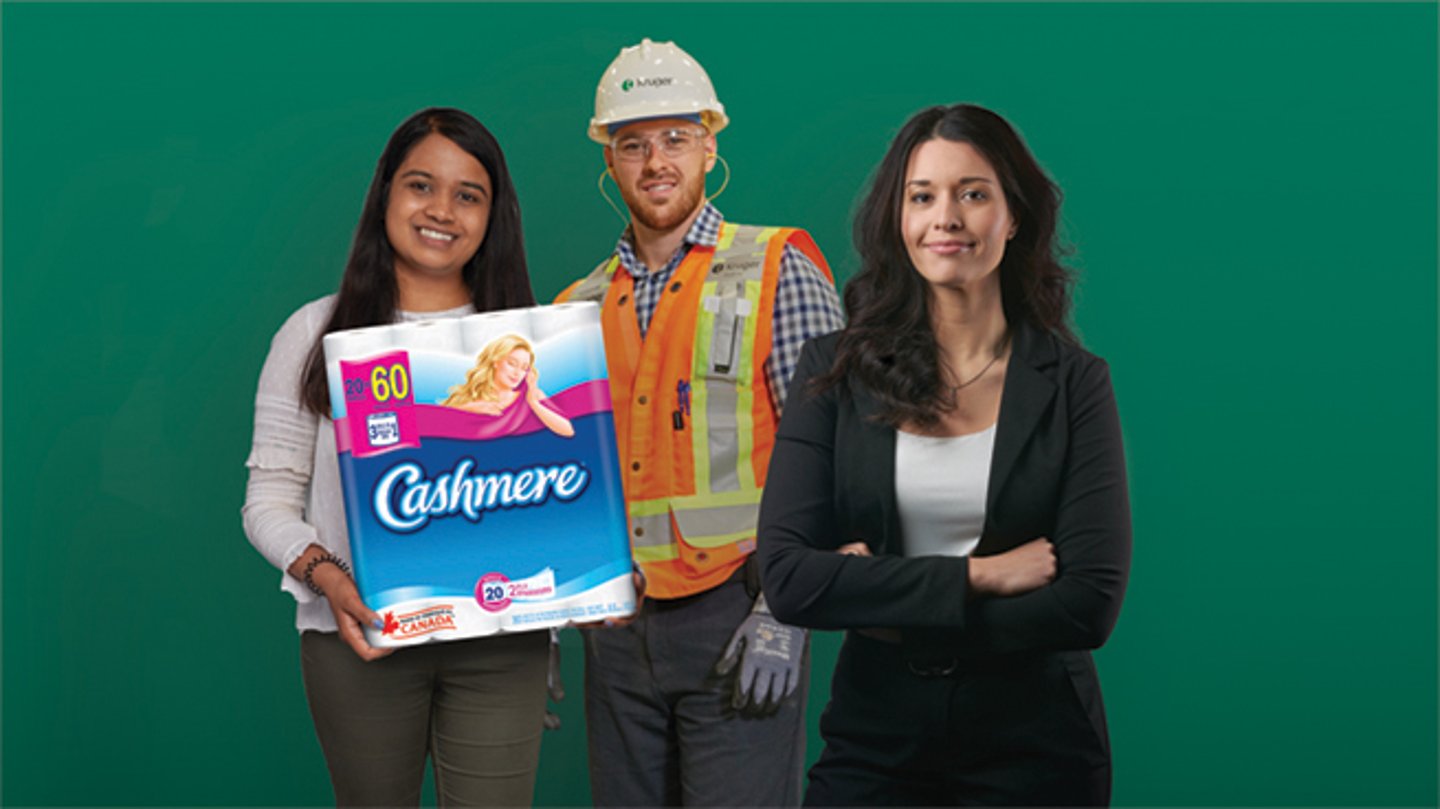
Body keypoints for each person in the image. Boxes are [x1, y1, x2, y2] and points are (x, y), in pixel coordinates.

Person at [757, 103, 1132, 806]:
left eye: (974, 193)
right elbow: (789, 578)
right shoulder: (833, 371)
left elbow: (1087, 603)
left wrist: (880, 598)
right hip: (875, 738)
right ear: (897, 220)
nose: (946, 216)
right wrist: (979, 576)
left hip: (1036, 742)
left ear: (1013, 217)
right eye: (922, 195)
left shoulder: (1075, 383)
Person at [553, 38, 845, 807]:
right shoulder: (572, 310)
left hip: (739, 616)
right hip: (615, 633)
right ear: (609, 160)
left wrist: (785, 612)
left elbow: (837, 458)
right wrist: (542, 616)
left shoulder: (779, 267)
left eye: (676, 138)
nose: (656, 161)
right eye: (633, 144)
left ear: (710, 143)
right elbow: (558, 489)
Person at [242, 107, 547, 807]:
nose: (442, 210)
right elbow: (267, 501)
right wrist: (327, 576)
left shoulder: (529, 345)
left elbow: (550, 502)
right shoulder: (314, 331)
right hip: (358, 638)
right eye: (420, 186)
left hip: (501, 647)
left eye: (467, 194)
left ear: (492, 215)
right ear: (385, 194)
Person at [443, 333, 576, 437]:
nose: (517, 373)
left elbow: (567, 430)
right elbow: (440, 425)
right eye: (512, 364)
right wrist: (471, 408)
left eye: (524, 368)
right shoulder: (472, 398)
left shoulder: (531, 396)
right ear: (495, 361)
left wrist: (533, 403)